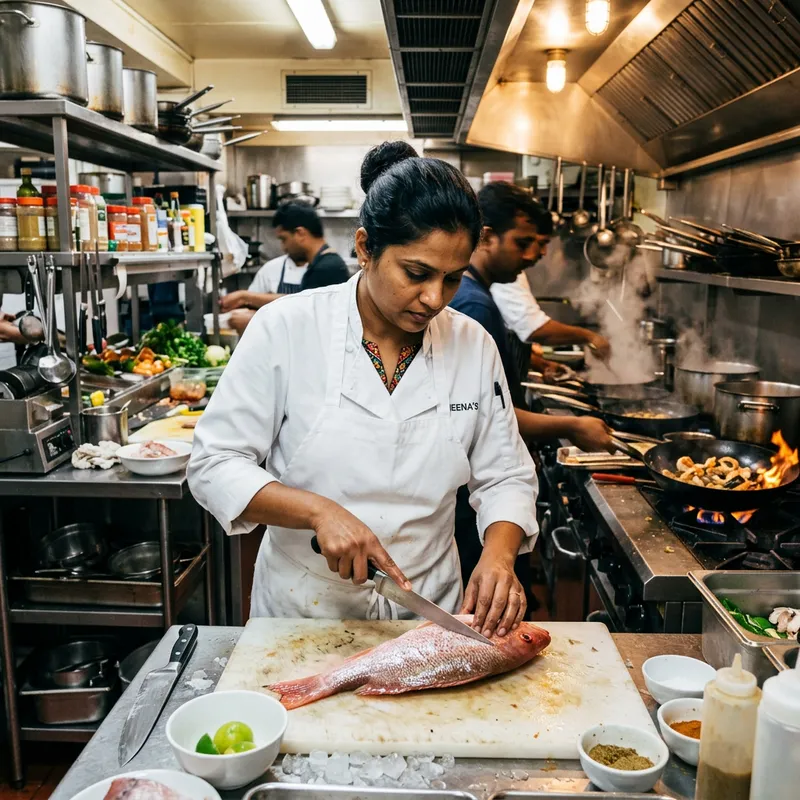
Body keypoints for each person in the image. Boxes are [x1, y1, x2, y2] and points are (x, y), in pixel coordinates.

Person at [188, 142, 539, 639]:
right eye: (416, 273)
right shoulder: (286, 327)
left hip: (430, 607)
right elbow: (214, 463)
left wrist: (500, 555)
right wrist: (318, 511)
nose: (434, 299)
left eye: (453, 278)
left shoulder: (472, 343)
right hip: (305, 613)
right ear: (365, 248)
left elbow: (505, 475)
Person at [449, 182, 613, 588]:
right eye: (522, 242)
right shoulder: (472, 304)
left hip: (481, 492)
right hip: (474, 497)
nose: (531, 255)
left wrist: (533, 359)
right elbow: (493, 417)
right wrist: (574, 426)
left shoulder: (478, 294)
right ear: (485, 236)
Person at [221, 203, 348, 334]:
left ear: (300, 233)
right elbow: (299, 305)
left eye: (284, 239)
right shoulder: (324, 263)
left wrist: (254, 321)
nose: (284, 247)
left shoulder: (327, 268)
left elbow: (306, 322)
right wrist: (245, 296)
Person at [221, 254, 308, 335]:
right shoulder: (272, 268)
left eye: (284, 240)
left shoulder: (318, 270)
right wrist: (244, 299)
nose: (283, 247)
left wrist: (256, 321)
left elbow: (303, 309)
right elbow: (251, 307)